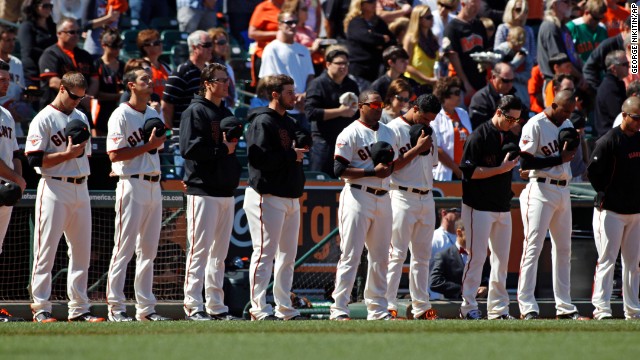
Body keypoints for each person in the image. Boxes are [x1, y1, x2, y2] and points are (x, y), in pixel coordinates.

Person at [26, 71, 103, 323]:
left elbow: (86, 156)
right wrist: (66, 155)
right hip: (54, 187)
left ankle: (79, 309)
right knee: (45, 250)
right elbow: (34, 159)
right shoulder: (44, 118)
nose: (76, 102)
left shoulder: (81, 116)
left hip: (81, 187)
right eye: (73, 96)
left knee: (81, 252)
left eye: (80, 98)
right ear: (61, 89)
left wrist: (72, 156)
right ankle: (41, 308)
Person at [104, 67, 170, 322]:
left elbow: (156, 148)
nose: (149, 81)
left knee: (149, 251)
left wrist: (151, 147)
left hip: (154, 183)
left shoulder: (152, 112)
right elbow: (114, 154)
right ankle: (116, 308)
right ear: (131, 85)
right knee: (124, 248)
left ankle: (145, 309)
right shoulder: (120, 114)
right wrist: (148, 146)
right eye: (144, 79)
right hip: (131, 184)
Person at [517, 89, 589, 321]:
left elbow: (570, 156)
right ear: (554, 105)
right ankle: (527, 305)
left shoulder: (566, 122)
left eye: (571, 110)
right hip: (540, 188)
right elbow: (525, 161)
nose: (568, 115)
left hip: (562, 189)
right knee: (533, 247)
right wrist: (559, 158)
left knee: (564, 249)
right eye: (565, 110)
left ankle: (564, 306)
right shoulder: (534, 124)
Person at [180, 63, 243, 321]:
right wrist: (222, 150)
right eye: (220, 80)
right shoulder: (195, 111)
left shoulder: (224, 111)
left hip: (224, 191)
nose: (226, 84)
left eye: (227, 80)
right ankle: (193, 305)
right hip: (202, 190)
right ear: (207, 83)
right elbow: (189, 149)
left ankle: (216, 306)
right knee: (199, 251)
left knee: (219, 255)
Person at [244, 74, 308, 321]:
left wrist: (300, 143)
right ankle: (258, 308)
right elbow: (258, 159)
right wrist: (291, 155)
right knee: (264, 253)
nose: (294, 95)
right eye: (289, 92)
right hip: (267, 195)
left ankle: (284, 307)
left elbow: (299, 141)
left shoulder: (289, 121)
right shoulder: (262, 121)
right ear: (275, 94)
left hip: (290, 195)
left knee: (287, 257)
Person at [330, 89, 397, 321]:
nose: (379, 109)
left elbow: (393, 164)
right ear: (362, 105)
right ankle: (339, 308)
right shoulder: (349, 133)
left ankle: (377, 309)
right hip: (357, 196)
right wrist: (371, 171)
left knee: (381, 257)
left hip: (384, 196)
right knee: (351, 255)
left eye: (381, 105)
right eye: (374, 105)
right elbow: (338, 170)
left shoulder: (389, 131)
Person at [458, 95, 521, 320]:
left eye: (516, 120)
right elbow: (468, 171)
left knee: (501, 261)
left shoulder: (509, 135)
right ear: (498, 112)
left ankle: (498, 309)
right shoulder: (479, 135)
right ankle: (468, 307)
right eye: (509, 118)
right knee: (476, 258)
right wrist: (502, 169)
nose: (512, 123)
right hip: (479, 205)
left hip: (502, 205)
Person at [385, 94, 441, 320]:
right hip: (401, 194)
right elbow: (390, 167)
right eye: (426, 118)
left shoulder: (429, 130)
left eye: (432, 120)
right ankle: (387, 304)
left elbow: (433, 162)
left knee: (422, 256)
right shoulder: (393, 129)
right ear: (415, 109)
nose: (428, 123)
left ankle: (421, 306)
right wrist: (417, 148)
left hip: (426, 196)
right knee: (396, 254)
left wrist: (423, 145)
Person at [588, 96, 640, 321]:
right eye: (636, 117)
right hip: (610, 211)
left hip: (635, 211)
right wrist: (608, 192)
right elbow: (594, 173)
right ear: (625, 115)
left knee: (634, 263)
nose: (639, 122)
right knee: (607, 259)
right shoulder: (608, 140)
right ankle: (602, 309)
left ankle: (633, 310)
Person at [305, 47, 359, 177]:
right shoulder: (317, 84)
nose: (343, 66)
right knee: (320, 179)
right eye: (339, 63)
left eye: (346, 63)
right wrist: (340, 112)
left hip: (346, 143)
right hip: (324, 143)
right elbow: (311, 113)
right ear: (328, 64)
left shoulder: (351, 84)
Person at [0, 61, 27, 321]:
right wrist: (17, 178)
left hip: (5, 189)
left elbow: (16, 152)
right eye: (0, 79)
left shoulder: (6, 115)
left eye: (7, 79)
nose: (6, 83)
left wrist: (17, 178)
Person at [259, 10, 315, 129]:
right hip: (282, 111)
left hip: (302, 110)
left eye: (295, 22)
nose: (293, 25)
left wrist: (304, 95)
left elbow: (311, 77)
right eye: (289, 22)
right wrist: (291, 98)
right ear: (279, 24)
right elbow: (269, 81)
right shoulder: (271, 49)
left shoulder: (304, 50)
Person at [38, 17, 98, 113]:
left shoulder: (85, 55)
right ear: (59, 33)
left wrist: (87, 98)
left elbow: (95, 80)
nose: (76, 35)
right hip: (56, 110)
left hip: (81, 110)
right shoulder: (50, 54)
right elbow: (53, 82)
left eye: (78, 32)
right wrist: (80, 96)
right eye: (72, 32)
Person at [162, 30, 212, 128]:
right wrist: (176, 130)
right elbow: (166, 106)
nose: (211, 48)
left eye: (211, 45)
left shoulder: (210, 71)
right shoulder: (181, 72)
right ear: (194, 47)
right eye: (206, 45)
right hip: (186, 133)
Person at [430, 218, 490, 300]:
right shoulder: (444, 256)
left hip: (479, 305)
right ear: (459, 232)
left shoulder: (481, 255)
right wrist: (462, 290)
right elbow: (435, 282)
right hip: (454, 306)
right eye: (472, 232)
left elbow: (488, 278)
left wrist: (486, 288)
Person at [442, 0, 489, 100]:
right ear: (463, 4)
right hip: (461, 84)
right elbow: (452, 56)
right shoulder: (452, 27)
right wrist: (466, 84)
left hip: (480, 80)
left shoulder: (479, 24)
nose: (475, 10)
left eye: (477, 7)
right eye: (473, 7)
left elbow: (485, 48)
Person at [344, 0, 395, 89]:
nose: (374, 3)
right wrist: (382, 38)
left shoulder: (379, 22)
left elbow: (392, 40)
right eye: (370, 1)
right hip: (361, 71)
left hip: (377, 70)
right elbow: (368, 38)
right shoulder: (355, 22)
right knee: (364, 100)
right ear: (361, 5)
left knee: (376, 100)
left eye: (375, 1)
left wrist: (376, 39)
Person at [431, 76, 472, 181]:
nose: (460, 95)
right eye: (457, 92)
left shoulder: (463, 113)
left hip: (465, 172)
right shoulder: (436, 116)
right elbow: (437, 148)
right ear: (445, 96)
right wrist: (456, 170)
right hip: (445, 174)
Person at [536, 0, 581, 84]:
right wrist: (580, 77)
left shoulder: (562, 26)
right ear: (554, 4)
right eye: (566, 2)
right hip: (556, 83)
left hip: (568, 81)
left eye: (571, 2)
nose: (570, 5)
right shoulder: (549, 27)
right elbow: (560, 63)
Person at [18, 0, 57, 87]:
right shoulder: (26, 26)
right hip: (35, 75)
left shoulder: (53, 26)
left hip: (53, 72)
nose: (48, 9)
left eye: (50, 6)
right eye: (45, 6)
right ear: (34, 7)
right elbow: (28, 52)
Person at [93, 28, 124, 136]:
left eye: (119, 46)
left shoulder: (123, 65)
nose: (117, 49)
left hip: (120, 111)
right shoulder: (97, 65)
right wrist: (117, 96)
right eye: (113, 46)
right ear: (103, 45)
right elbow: (96, 94)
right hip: (102, 112)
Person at [468, 62, 517, 129]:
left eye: (512, 80)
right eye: (505, 81)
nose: (510, 84)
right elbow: (480, 127)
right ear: (494, 77)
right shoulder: (480, 98)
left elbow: (524, 115)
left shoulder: (512, 95)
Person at [0, 26, 30, 133]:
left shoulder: (17, 63)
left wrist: (26, 96)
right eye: (7, 40)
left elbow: (20, 88)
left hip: (14, 113)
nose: (12, 43)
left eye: (13, 40)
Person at [248, 0, 285, 87]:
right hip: (265, 57)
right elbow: (252, 33)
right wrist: (277, 34)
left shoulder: (290, 6)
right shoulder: (263, 7)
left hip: (285, 56)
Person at [494, 26, 533, 109]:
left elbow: (528, 74)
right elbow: (499, 73)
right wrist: (515, 63)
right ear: (508, 38)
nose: (517, 47)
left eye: (520, 45)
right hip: (503, 89)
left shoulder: (524, 53)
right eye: (515, 45)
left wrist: (514, 76)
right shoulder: (500, 51)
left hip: (520, 89)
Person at [402, 5, 438, 90]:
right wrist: (427, 79)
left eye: (432, 16)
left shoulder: (433, 38)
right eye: (428, 17)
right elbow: (406, 65)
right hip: (415, 85)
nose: (432, 19)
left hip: (432, 84)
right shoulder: (410, 39)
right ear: (419, 19)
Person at [594, 50, 628, 138]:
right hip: (610, 139)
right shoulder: (610, 88)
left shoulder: (617, 83)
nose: (629, 66)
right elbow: (619, 116)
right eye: (625, 64)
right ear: (613, 68)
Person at [566, 0, 607, 65]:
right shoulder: (572, 27)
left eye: (600, 19)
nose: (598, 21)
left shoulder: (602, 28)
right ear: (586, 12)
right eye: (595, 18)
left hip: (598, 71)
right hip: (579, 70)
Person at [136, 29, 172, 100]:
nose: (161, 45)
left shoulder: (165, 66)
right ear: (146, 47)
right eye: (156, 43)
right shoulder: (141, 67)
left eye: (160, 42)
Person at [208, 28, 237, 110]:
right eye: (221, 43)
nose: (226, 45)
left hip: (228, 109)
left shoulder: (228, 67)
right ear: (211, 44)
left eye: (226, 42)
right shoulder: (206, 67)